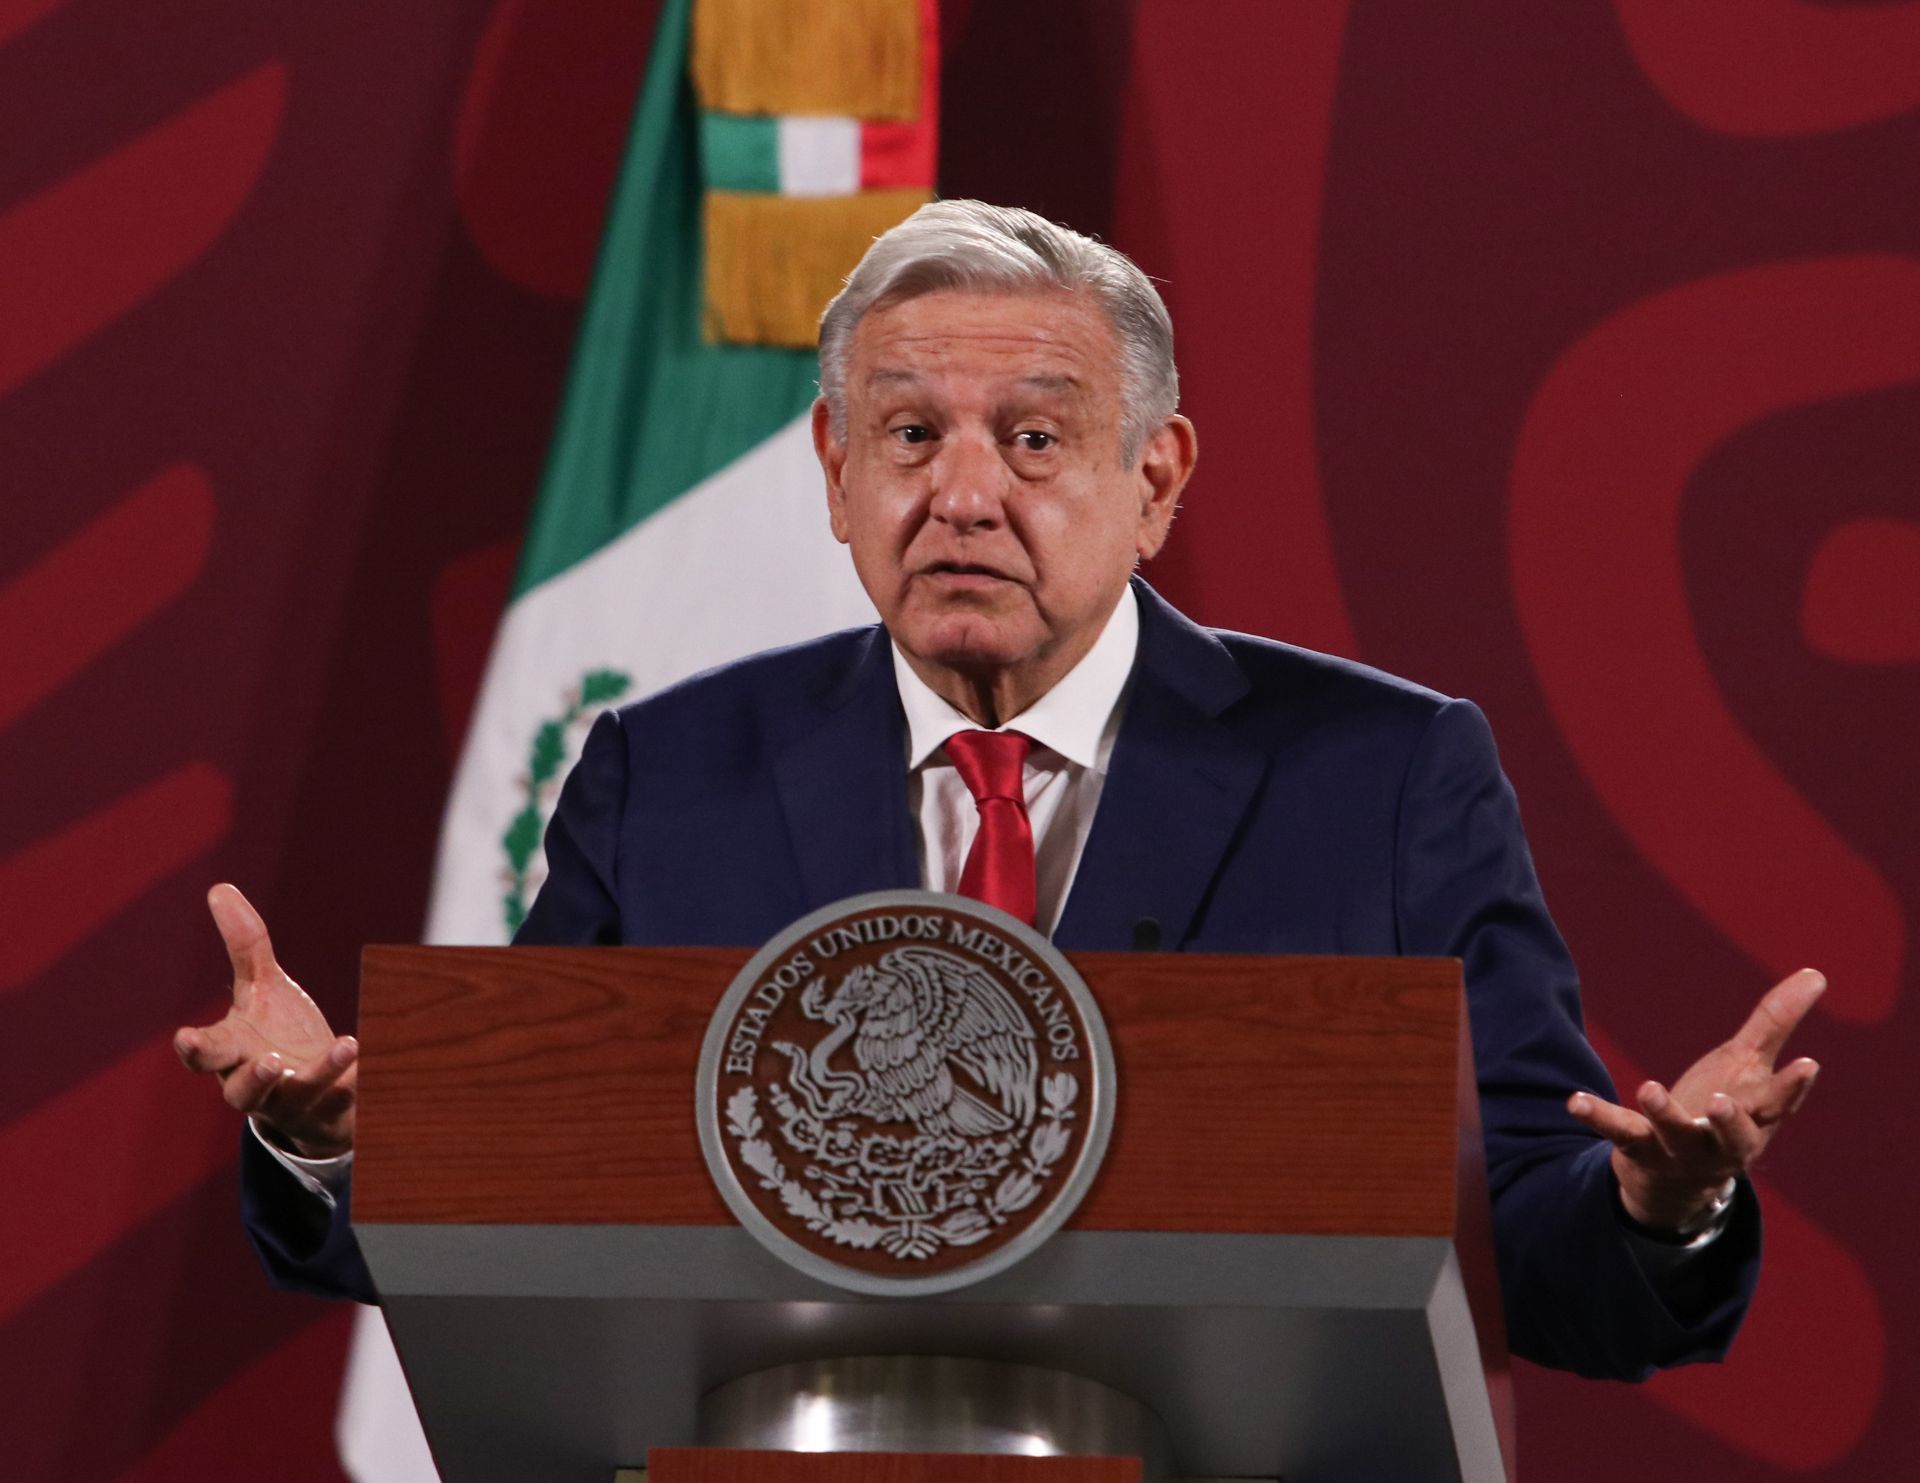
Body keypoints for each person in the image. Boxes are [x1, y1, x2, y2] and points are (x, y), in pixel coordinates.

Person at [175, 200, 1823, 1381]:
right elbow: (515, 1194)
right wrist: (342, 1146)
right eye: (907, 435)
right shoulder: (665, 776)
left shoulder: (1383, 775)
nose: (963, 493)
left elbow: (1542, 1253)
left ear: (1154, 477)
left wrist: (1657, 1207)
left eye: (1034, 440)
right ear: (834, 475)